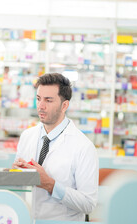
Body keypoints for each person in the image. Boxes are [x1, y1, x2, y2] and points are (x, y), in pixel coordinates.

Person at [12, 73, 99, 221]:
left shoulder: (84, 147)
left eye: (48, 100)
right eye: (38, 99)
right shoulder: (27, 136)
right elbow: (18, 185)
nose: (41, 106)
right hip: (26, 218)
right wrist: (14, 174)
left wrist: (50, 185)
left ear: (64, 105)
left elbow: (88, 204)